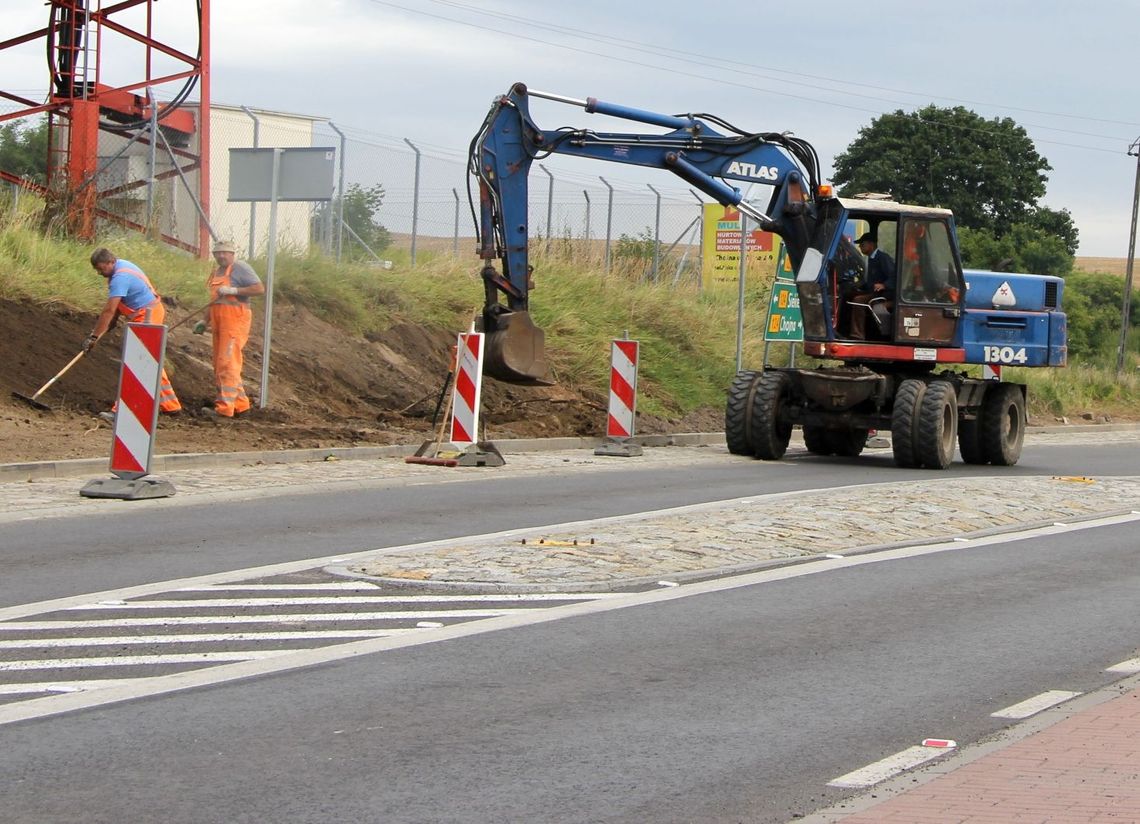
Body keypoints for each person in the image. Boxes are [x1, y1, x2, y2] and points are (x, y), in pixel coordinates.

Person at [87, 248, 182, 417]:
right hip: (149, 312)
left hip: (146, 317)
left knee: (136, 362)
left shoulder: (120, 278)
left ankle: (122, 411)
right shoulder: (122, 266)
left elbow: (109, 309)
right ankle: (170, 404)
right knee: (148, 361)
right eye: (97, 270)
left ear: (111, 262)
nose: (99, 273)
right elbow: (118, 306)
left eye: (102, 269)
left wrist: (94, 336)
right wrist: (112, 323)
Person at [193, 240, 265, 418]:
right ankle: (241, 406)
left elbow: (259, 288)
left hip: (235, 320)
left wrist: (233, 290)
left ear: (232, 254)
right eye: (218, 253)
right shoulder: (216, 272)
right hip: (219, 321)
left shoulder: (240, 268)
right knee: (220, 363)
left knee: (228, 362)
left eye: (225, 252)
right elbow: (215, 300)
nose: (221, 256)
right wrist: (204, 321)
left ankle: (224, 409)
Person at [846, 232, 896, 340]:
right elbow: (870, 282)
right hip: (873, 292)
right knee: (848, 294)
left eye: (862, 244)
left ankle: (857, 335)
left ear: (871, 245)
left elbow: (894, 276)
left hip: (883, 294)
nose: (860, 247)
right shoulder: (871, 259)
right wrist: (855, 286)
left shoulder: (882, 258)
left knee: (858, 300)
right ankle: (845, 329)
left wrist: (884, 285)